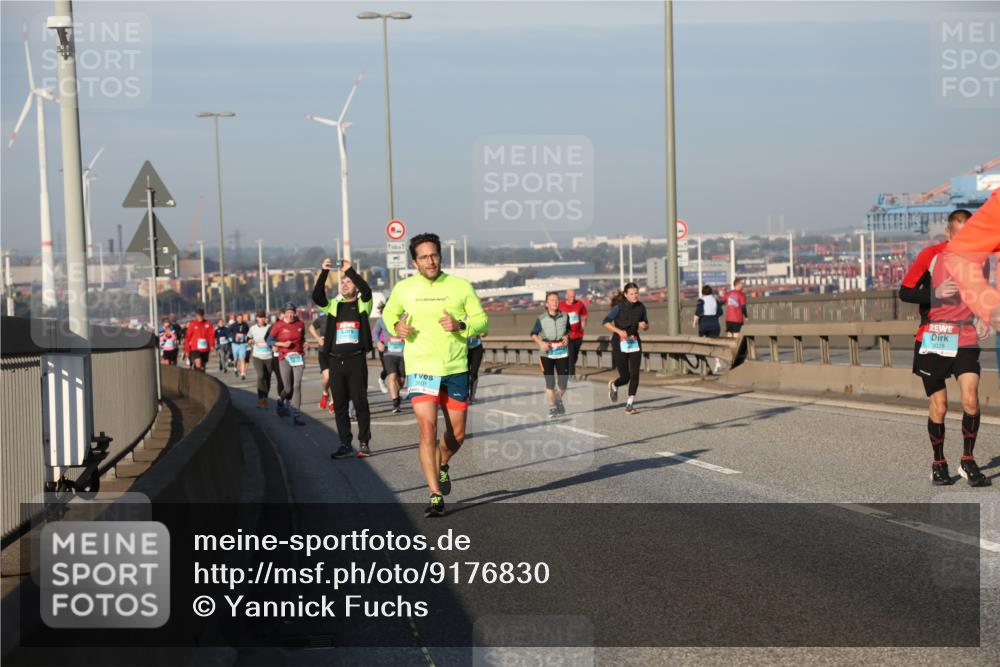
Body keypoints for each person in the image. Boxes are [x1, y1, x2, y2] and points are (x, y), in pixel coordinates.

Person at [381, 233, 489, 517]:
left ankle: (442, 463)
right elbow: (388, 314)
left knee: (457, 435)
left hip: (455, 368)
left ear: (440, 256)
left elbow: (481, 320)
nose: (430, 261)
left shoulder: (460, 286)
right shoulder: (404, 288)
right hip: (421, 368)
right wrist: (396, 326)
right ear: (414, 262)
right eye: (424, 257)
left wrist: (460, 324)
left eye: (434, 255)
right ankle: (435, 494)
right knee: (427, 429)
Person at [900, 209, 987, 487]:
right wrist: (934, 294)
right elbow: (905, 292)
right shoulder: (931, 255)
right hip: (934, 337)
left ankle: (968, 460)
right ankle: (938, 462)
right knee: (940, 405)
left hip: (965, 336)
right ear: (948, 233)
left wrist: (983, 317)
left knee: (971, 399)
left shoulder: (980, 258)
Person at [312, 258, 374, 458]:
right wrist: (324, 272)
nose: (345, 284)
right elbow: (317, 296)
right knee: (339, 405)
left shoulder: (363, 304)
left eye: (348, 282)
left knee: (360, 402)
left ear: (355, 287)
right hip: (335, 360)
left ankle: (364, 442)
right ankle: (345, 444)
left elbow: (367, 291)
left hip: (356, 360)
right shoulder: (334, 305)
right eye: (342, 282)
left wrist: (350, 271)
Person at [603, 283, 649, 415]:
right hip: (619, 342)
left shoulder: (641, 307)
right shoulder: (618, 307)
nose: (635, 296)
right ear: (626, 295)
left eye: (636, 293)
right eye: (632, 294)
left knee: (635, 374)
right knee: (625, 377)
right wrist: (619, 331)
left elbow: (646, 324)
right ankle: (614, 385)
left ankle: (629, 404)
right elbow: (605, 322)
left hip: (634, 341)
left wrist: (644, 325)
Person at [530, 292, 570, 418]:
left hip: (562, 352)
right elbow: (533, 334)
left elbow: (568, 330)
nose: (555, 302)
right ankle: (552, 407)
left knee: (563, 384)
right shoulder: (541, 318)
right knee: (550, 382)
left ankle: (557, 400)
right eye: (552, 300)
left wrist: (566, 337)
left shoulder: (565, 316)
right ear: (547, 304)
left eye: (557, 300)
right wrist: (541, 343)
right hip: (546, 353)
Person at [268, 303, 307, 425]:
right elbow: (269, 340)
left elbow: (302, 338)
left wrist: (305, 344)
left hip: (298, 357)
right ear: (284, 314)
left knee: (297, 386)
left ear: (295, 313)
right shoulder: (278, 325)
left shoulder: (300, 324)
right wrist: (281, 344)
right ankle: (281, 400)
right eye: (288, 313)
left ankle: (297, 415)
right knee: (288, 388)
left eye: (292, 312)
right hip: (284, 357)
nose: (290, 315)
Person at [373, 315, 407, 414]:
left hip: (402, 354)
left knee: (401, 381)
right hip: (388, 353)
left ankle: (396, 395)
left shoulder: (404, 318)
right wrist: (378, 342)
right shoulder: (382, 319)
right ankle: (395, 403)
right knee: (392, 376)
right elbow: (375, 333)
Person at [308, 313, 336, 413]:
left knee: (335, 378)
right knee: (327, 377)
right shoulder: (323, 318)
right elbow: (311, 327)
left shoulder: (340, 317)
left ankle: (333, 401)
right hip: (323, 352)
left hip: (337, 352)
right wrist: (317, 338)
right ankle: (325, 393)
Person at [559, 288, 588, 380]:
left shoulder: (579, 304)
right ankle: (572, 375)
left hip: (578, 334)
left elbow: (584, 314)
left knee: (575, 356)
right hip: (567, 335)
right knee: (571, 355)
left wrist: (583, 322)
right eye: (570, 297)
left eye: (574, 296)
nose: (572, 298)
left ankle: (567, 370)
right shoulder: (561, 305)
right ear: (566, 296)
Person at [248, 310, 274, 409]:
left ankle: (265, 398)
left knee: (267, 378)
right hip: (257, 356)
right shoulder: (253, 328)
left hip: (269, 356)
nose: (261, 319)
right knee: (260, 376)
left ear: (265, 318)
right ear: (257, 318)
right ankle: (260, 398)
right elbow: (248, 338)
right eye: (259, 317)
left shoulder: (270, 328)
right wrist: (250, 340)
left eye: (263, 317)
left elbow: (275, 338)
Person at [184, 308, 215, 372]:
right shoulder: (192, 324)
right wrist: (187, 349)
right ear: (196, 316)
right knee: (198, 363)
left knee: (203, 366)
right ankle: (197, 373)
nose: (200, 317)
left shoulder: (208, 323)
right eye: (198, 316)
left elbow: (211, 335)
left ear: (203, 315)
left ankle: (200, 375)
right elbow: (188, 337)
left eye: (201, 315)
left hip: (205, 348)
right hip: (195, 348)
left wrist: (212, 345)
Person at [466, 320, 485, 404]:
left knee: (474, 372)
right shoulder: (460, 316)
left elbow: (484, 332)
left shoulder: (477, 318)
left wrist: (482, 333)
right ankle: (465, 396)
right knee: (465, 373)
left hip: (477, 347)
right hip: (464, 349)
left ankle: (472, 396)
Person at [229, 313, 250, 380]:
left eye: (241, 318)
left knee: (242, 358)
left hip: (242, 344)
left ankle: (243, 374)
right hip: (235, 344)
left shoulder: (245, 325)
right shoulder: (233, 325)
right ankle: (235, 368)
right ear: (236, 319)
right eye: (239, 318)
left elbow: (249, 333)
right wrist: (233, 337)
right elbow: (228, 332)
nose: (240, 319)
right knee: (235, 360)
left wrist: (247, 338)